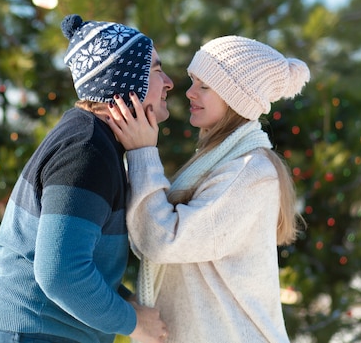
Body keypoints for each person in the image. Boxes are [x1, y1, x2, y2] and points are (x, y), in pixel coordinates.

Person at [0, 14, 174, 343]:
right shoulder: (86, 150)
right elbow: (59, 273)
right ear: (125, 83)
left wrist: (126, 300)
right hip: (29, 334)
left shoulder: (94, 142)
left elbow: (78, 260)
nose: (169, 83)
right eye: (156, 70)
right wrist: (134, 322)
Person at [106, 35, 310, 343]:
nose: (188, 92)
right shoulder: (220, 162)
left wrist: (142, 153)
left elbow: (165, 240)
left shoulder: (250, 172)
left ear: (235, 98)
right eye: (192, 81)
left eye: (205, 86)